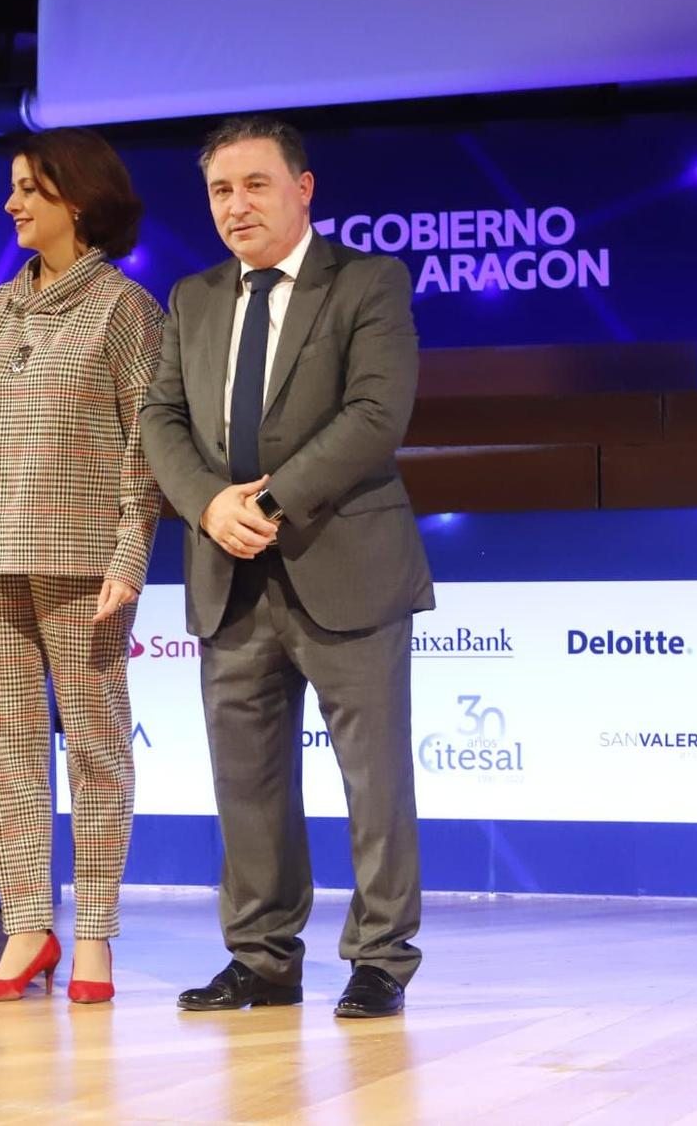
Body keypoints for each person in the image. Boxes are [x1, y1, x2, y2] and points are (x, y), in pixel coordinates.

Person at [138, 116, 432, 1019]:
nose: (237, 206)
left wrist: (267, 502)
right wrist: (208, 503)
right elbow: (161, 420)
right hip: (228, 572)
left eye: (255, 185)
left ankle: (381, 956)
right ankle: (262, 956)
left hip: (342, 562)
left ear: (303, 189)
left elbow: (377, 414)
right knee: (247, 781)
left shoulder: (368, 281)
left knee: (373, 780)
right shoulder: (191, 298)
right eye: (221, 190)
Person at [0, 128, 163, 1005]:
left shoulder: (127, 310)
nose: (12, 202)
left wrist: (130, 554)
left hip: (82, 563)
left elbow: (149, 449)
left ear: (79, 197)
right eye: (13, 186)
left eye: (29, 187)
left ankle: (94, 931)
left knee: (97, 748)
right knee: (8, 749)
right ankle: (28, 926)